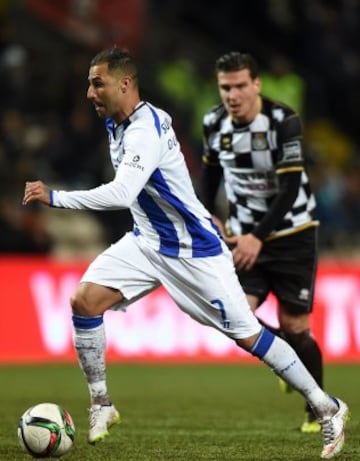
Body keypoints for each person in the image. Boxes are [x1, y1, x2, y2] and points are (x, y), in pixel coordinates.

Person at [22, 47, 348, 459]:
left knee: (249, 334)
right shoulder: (116, 123)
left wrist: (55, 197)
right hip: (147, 241)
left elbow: (123, 193)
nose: (89, 92)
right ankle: (102, 404)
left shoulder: (144, 130)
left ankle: (327, 407)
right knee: (84, 301)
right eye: (90, 82)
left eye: (97, 82)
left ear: (125, 84)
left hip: (192, 252)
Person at [200, 51, 325, 433]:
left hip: (292, 234)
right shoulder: (213, 123)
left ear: (256, 84)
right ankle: (283, 355)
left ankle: (316, 409)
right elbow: (210, 176)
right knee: (232, 317)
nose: (233, 95)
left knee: (296, 324)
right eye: (226, 87)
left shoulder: (282, 121)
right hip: (242, 235)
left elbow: (289, 187)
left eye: (240, 86)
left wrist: (258, 236)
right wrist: (209, 215)